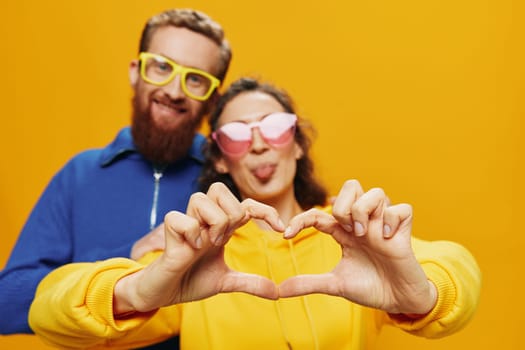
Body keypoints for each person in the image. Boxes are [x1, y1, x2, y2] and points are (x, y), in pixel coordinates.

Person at [28, 77, 481, 349]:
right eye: (238, 135)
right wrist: (135, 291)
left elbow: (457, 269)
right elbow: (47, 312)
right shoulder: (198, 252)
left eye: (276, 129)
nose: (260, 143)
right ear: (221, 158)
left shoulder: (355, 237)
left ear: (298, 143)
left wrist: (421, 293)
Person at [0, 7, 231, 348]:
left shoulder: (228, 181)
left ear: (212, 100)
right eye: (162, 67)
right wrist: (133, 254)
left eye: (195, 79)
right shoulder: (80, 174)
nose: (174, 90)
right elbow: (7, 303)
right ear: (136, 72)